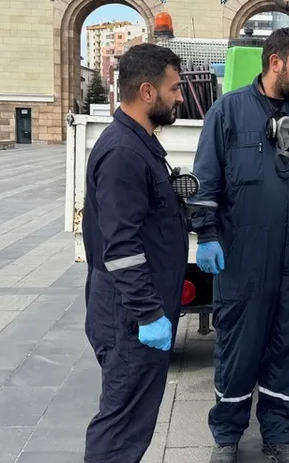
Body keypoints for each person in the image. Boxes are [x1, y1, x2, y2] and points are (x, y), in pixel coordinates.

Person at [189, 27, 289, 463]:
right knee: (239, 348)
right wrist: (207, 236)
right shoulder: (228, 113)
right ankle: (227, 436)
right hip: (244, 259)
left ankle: (279, 434)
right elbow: (205, 183)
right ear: (275, 63)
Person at [80, 42, 189, 463]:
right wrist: (148, 313)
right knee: (121, 428)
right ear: (147, 92)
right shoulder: (124, 153)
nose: (179, 97)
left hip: (136, 314)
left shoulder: (138, 143)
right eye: (174, 88)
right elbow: (120, 247)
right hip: (129, 318)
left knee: (130, 424)